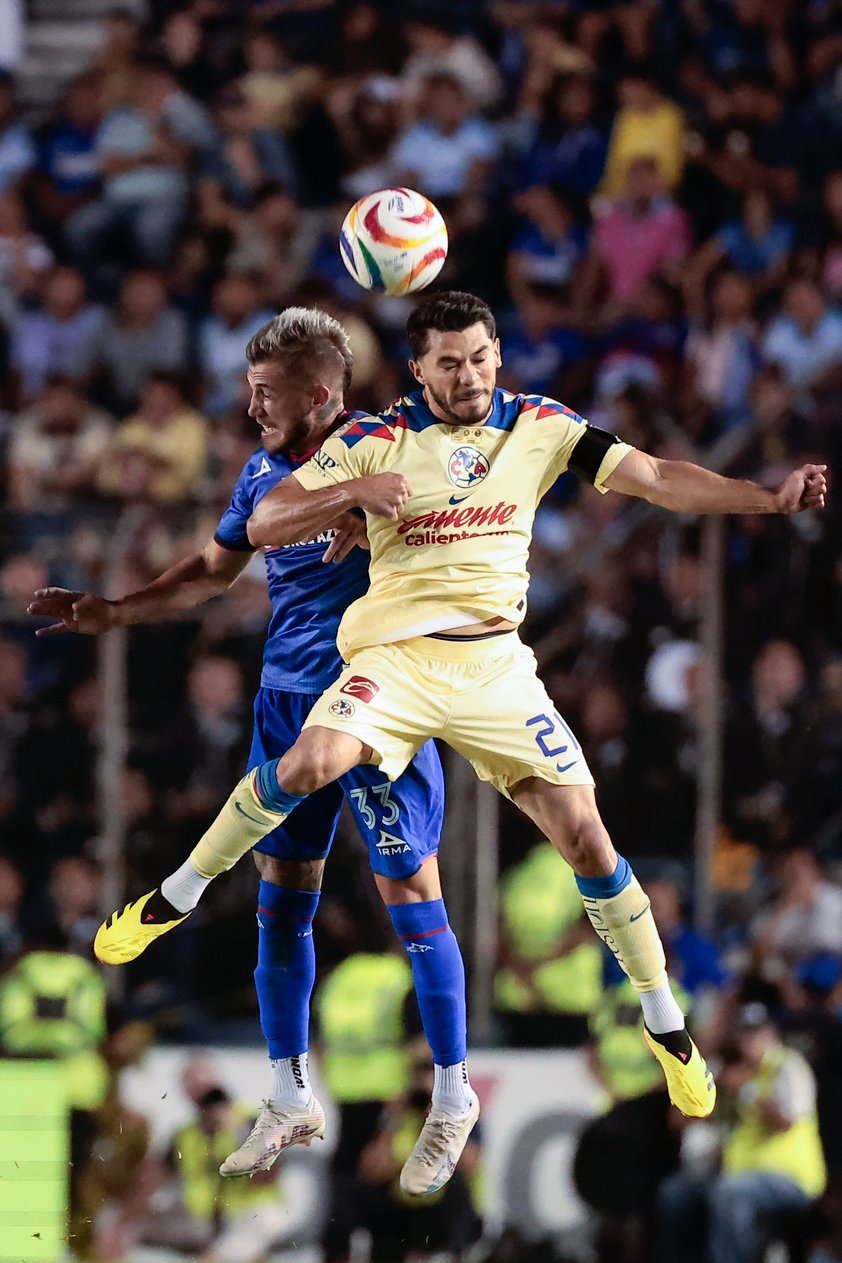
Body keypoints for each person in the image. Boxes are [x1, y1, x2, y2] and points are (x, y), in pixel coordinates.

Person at [91, 290, 826, 1192]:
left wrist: (767, 496)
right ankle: (174, 896)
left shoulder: (545, 425)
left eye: (480, 356)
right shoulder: (375, 439)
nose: (468, 374)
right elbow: (263, 520)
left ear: (497, 352)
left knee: (587, 837)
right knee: (309, 764)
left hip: (495, 669)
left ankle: (667, 1025)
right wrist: (352, 494)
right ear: (418, 370)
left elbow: (661, 478)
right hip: (394, 665)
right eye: (448, 362)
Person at [27, 308, 456, 1191]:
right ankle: (289, 1088)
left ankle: (452, 1093)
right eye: (249, 389)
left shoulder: (390, 443)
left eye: (268, 392)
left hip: (380, 697)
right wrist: (117, 607)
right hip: (287, 698)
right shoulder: (264, 473)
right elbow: (218, 565)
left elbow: (454, 471)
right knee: (283, 890)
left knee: (410, 886)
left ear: (323, 395)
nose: (251, 406)